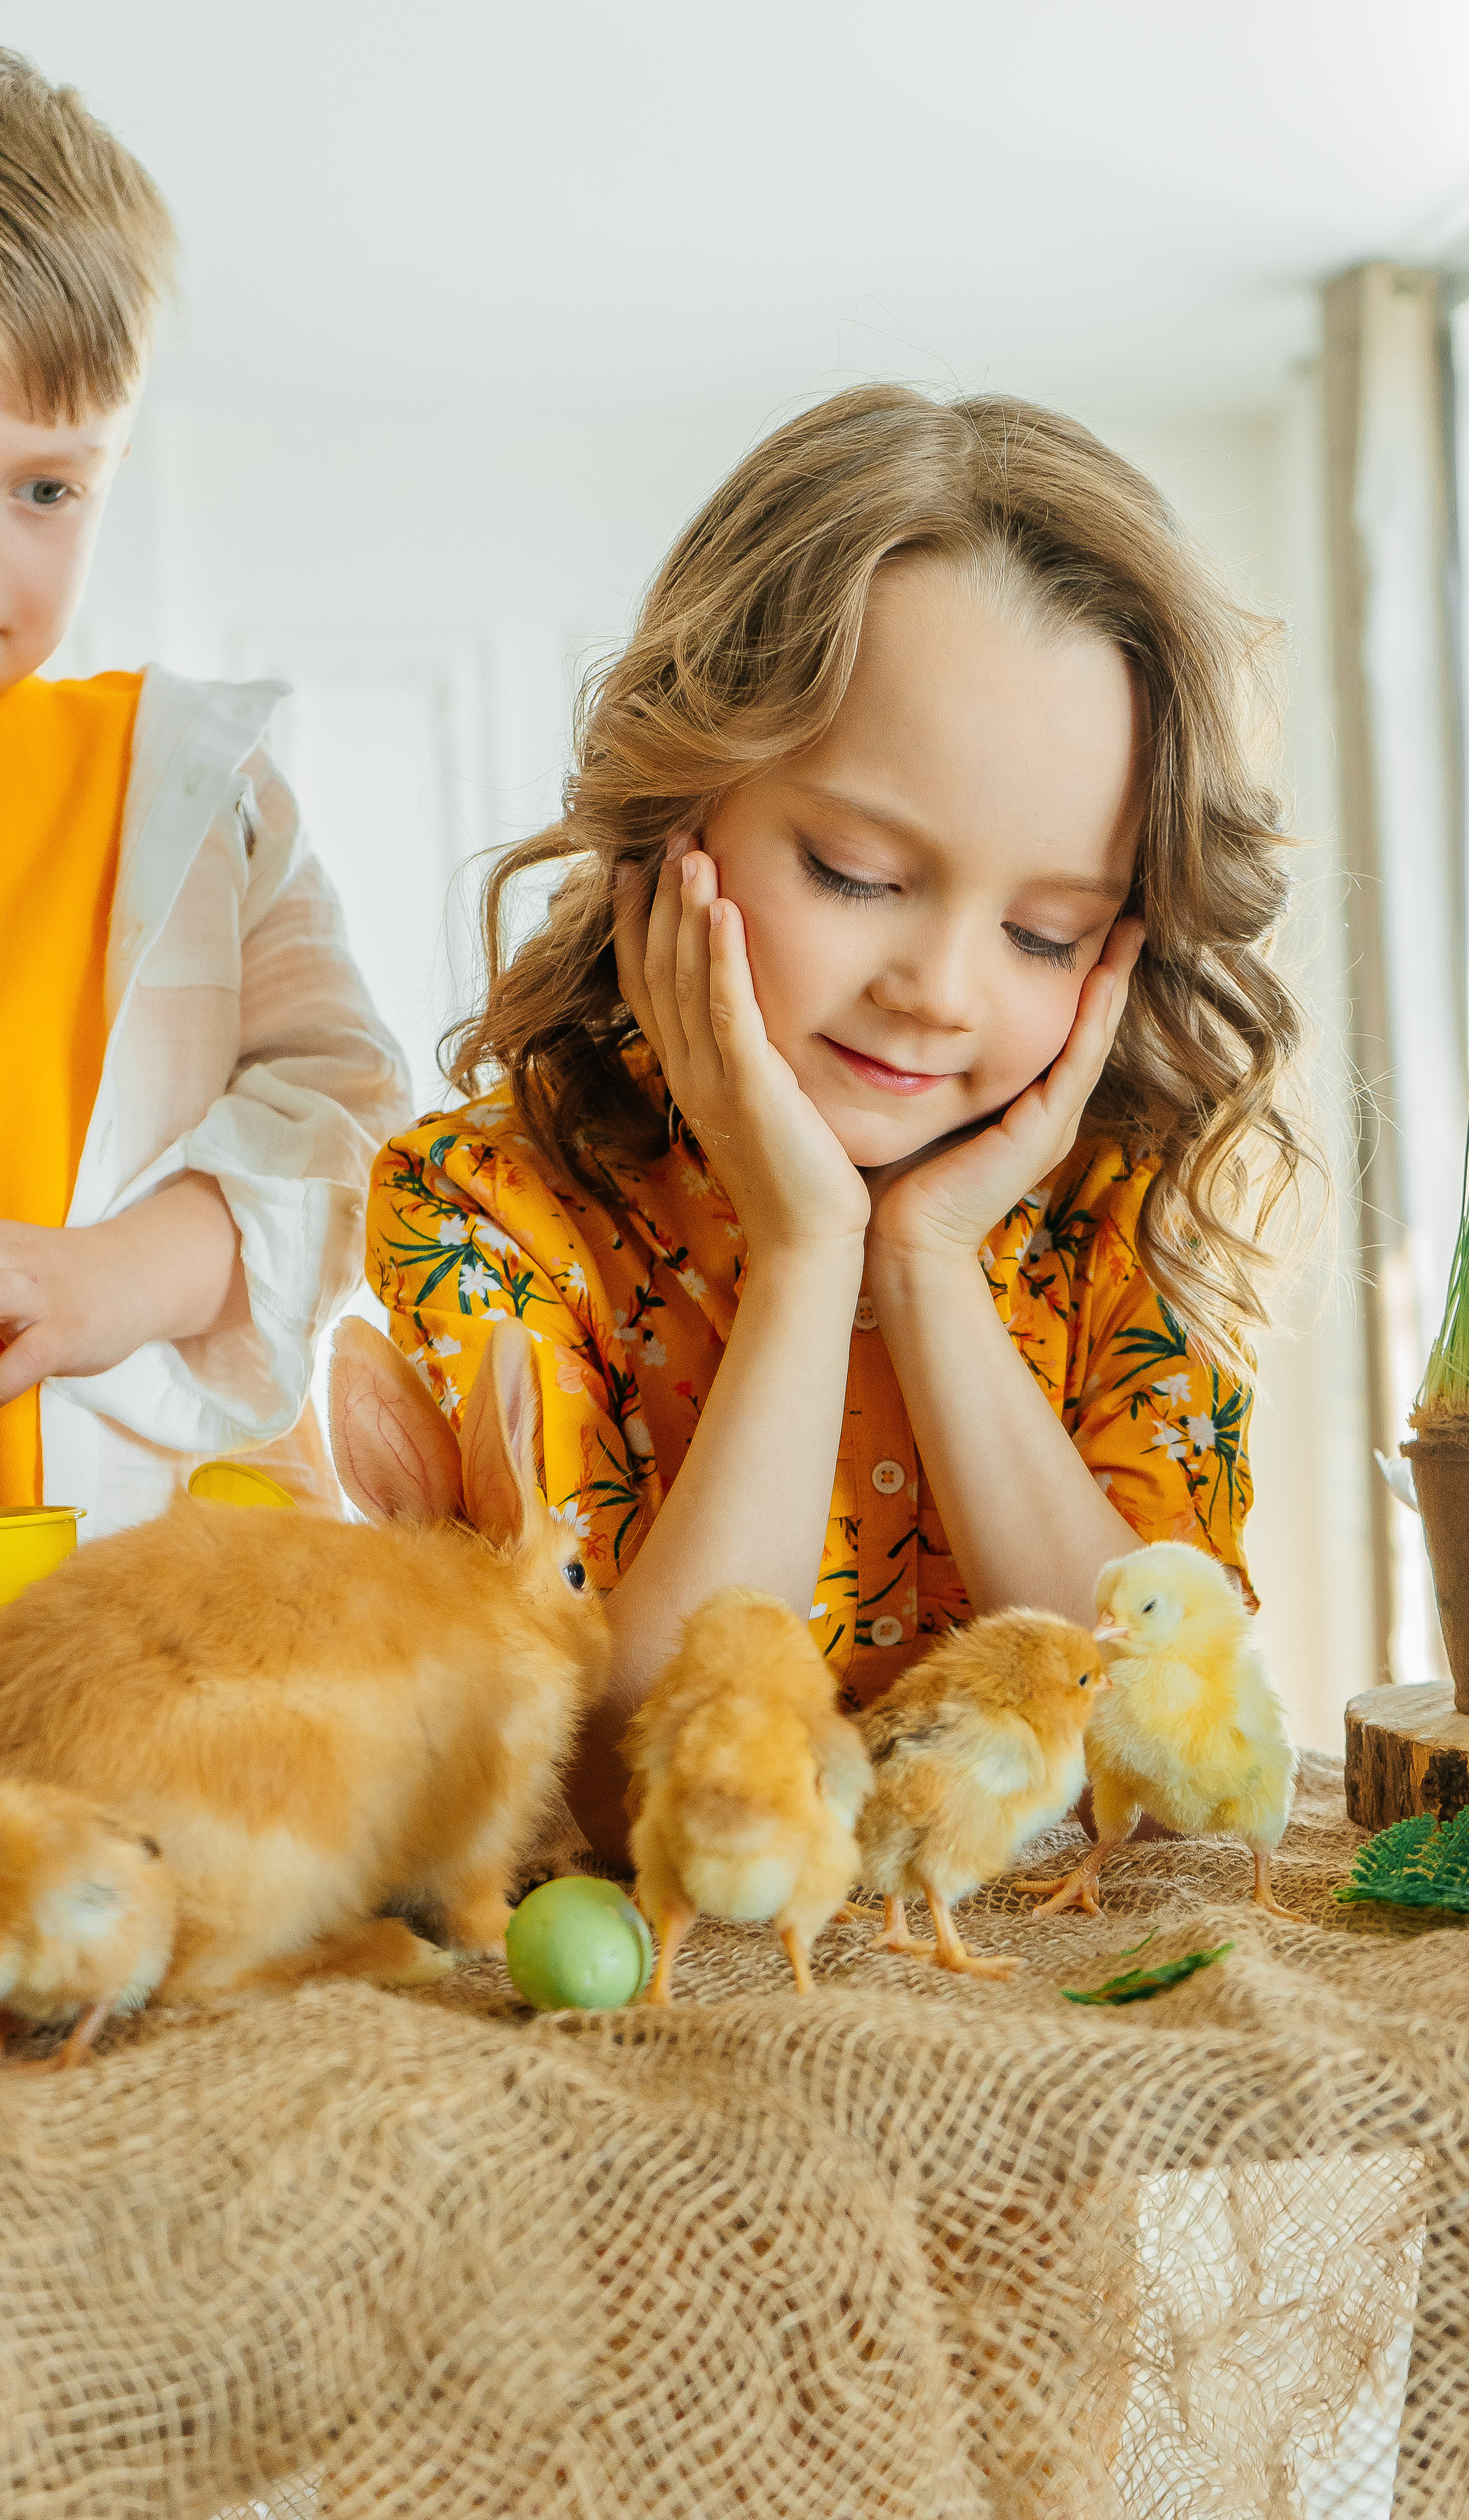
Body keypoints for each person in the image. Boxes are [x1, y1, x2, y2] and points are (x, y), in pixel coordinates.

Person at [367, 387, 1308, 1857]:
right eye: (856, 873)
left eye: (1047, 935)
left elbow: (1175, 1788)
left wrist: (927, 1266)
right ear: (679, 812)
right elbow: (626, 1798)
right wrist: (809, 1258)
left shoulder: (1115, 1214)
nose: (936, 992)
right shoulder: (482, 1210)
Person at [0, 50, 411, 1530]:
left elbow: (344, 1121)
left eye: (48, 490)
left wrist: (107, 1279)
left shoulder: (195, 785)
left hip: (150, 1598)